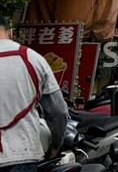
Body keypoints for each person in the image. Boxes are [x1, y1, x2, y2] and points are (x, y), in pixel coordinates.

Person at [0, 15, 68, 172]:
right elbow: (58, 112)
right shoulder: (33, 58)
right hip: (22, 154)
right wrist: (55, 146)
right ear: (10, 31)